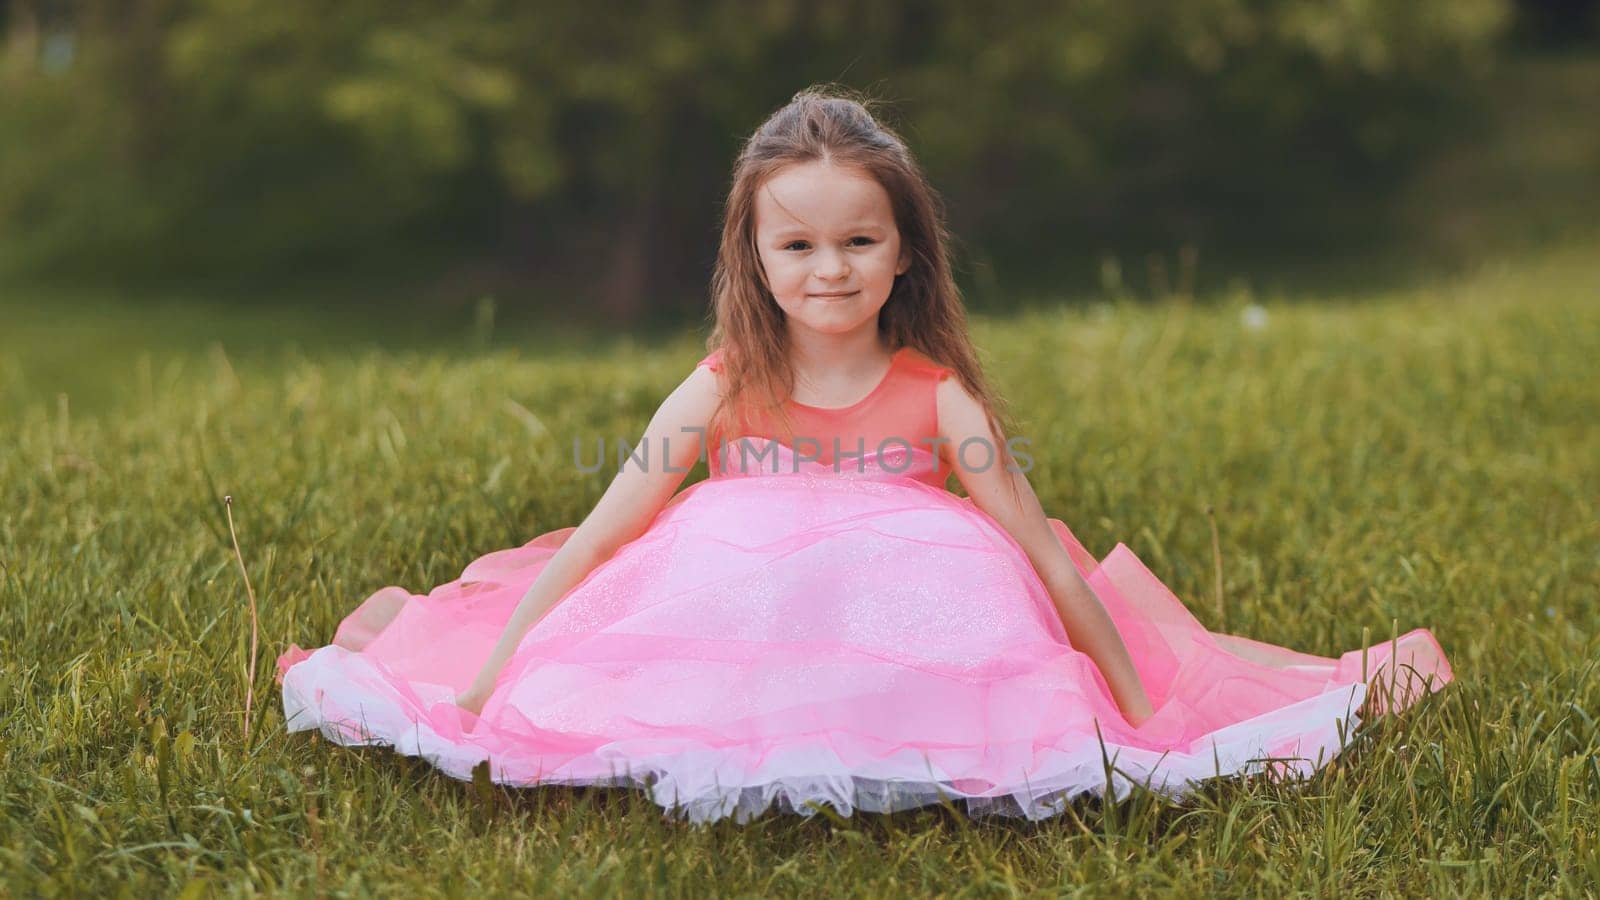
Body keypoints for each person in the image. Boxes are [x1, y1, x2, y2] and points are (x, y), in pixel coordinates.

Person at [277, 88, 1453, 825]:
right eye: (796, 243)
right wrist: (496, 671)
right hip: (735, 634)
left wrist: (1139, 706)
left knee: (947, 551)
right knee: (724, 536)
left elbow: (1042, 556)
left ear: (904, 255)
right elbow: (608, 527)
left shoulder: (936, 400)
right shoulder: (724, 383)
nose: (827, 269)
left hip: (910, 643)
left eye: (857, 240)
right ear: (755, 256)